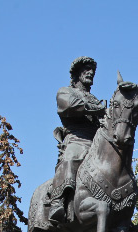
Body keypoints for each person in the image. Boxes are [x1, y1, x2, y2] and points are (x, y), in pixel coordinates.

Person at [49, 56, 106, 223]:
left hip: (97, 142)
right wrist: (97, 109)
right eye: (86, 69)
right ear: (76, 73)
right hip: (77, 139)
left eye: (92, 71)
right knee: (72, 156)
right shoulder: (66, 92)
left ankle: (122, 212)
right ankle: (57, 202)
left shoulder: (95, 99)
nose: (90, 73)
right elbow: (69, 106)